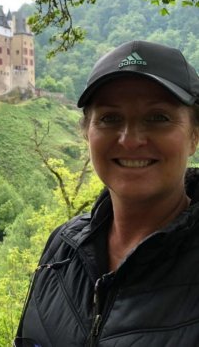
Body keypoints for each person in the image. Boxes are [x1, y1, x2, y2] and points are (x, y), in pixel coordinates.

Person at [15, 40, 199, 346]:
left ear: (194, 135)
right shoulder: (62, 249)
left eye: (158, 117)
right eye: (110, 118)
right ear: (87, 132)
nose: (130, 139)